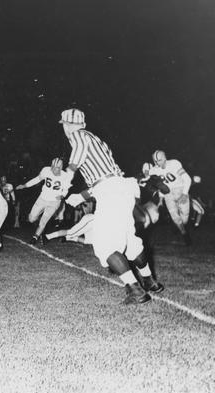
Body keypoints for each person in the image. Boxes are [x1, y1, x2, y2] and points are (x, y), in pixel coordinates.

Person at [59, 108, 162, 304]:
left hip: (111, 191)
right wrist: (81, 197)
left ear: (68, 124)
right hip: (119, 188)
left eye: (64, 124)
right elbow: (105, 177)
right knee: (129, 241)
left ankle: (136, 290)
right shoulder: (96, 139)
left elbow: (76, 161)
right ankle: (149, 281)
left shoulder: (78, 136)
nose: (64, 128)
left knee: (104, 245)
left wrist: (65, 181)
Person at [15, 158, 72, 245]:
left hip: (54, 202)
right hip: (42, 199)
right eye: (53, 167)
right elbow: (37, 179)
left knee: (44, 221)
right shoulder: (46, 170)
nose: (54, 170)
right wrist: (25, 185)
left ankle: (35, 237)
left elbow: (66, 190)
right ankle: (38, 221)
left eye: (57, 168)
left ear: (61, 168)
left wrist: (62, 195)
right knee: (31, 219)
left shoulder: (66, 176)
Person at [149, 150, 192, 245]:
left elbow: (187, 179)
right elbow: (160, 187)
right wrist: (160, 199)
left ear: (165, 158)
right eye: (155, 161)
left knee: (185, 218)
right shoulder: (153, 170)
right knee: (175, 217)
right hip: (167, 193)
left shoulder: (174, 164)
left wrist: (185, 193)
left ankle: (180, 226)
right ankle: (184, 234)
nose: (157, 163)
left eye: (159, 160)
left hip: (180, 189)